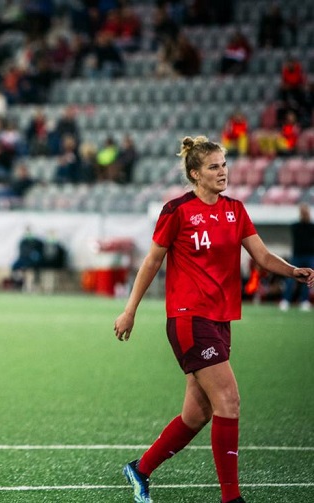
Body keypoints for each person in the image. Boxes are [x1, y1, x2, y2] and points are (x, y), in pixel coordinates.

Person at [113, 136, 314, 503]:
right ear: (195, 174)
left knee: (198, 412)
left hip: (220, 321)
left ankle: (140, 469)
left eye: (224, 165)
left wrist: (293, 271)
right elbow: (152, 262)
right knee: (229, 400)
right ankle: (231, 498)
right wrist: (130, 310)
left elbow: (263, 256)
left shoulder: (235, 210)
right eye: (213, 167)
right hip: (189, 318)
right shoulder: (177, 211)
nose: (222, 172)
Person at [280, 204, 314, 311]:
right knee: (290, 278)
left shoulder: (311, 227)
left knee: (308, 279)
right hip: (297, 256)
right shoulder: (295, 226)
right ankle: (286, 300)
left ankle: (304, 300)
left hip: (309, 256)